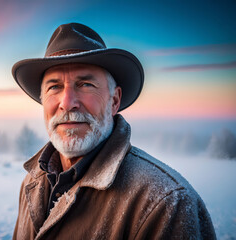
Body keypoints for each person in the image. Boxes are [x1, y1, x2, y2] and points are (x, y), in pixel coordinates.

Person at [11, 23, 216, 240]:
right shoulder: (33, 183)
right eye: (54, 87)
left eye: (86, 84)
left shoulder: (165, 203)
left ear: (114, 101)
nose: (68, 103)